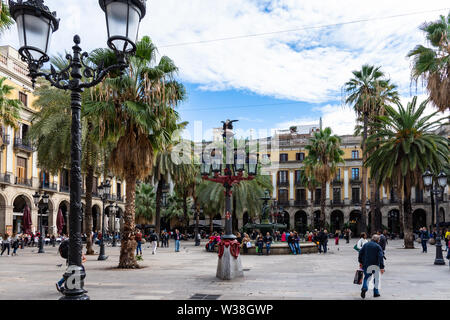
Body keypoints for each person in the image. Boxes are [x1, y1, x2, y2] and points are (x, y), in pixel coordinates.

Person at [358, 234, 385, 298]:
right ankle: (376, 292)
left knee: (366, 277)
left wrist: (360, 262)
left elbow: (360, 253)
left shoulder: (366, 245)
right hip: (375, 265)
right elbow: (380, 257)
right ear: (377, 240)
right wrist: (382, 267)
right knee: (376, 278)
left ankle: (364, 288)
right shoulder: (378, 246)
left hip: (366, 264)